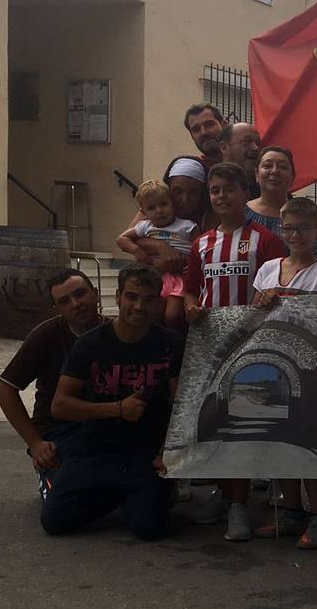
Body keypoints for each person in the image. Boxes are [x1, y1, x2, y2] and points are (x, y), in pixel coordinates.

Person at [184, 163, 288, 541]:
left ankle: (249, 505)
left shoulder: (266, 240)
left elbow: (278, 291)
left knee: (248, 426)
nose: (221, 196)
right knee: (219, 427)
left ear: (246, 193)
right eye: (214, 190)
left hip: (254, 348)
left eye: (228, 189)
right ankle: (230, 501)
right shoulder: (201, 243)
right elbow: (191, 289)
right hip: (213, 348)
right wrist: (191, 309)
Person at [42, 264, 184, 540]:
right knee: (55, 521)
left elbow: (180, 404)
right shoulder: (90, 344)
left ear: (158, 301)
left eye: (148, 299)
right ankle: (122, 493)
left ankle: (145, 493)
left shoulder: (171, 343)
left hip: (145, 452)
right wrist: (117, 409)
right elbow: (60, 406)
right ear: (118, 296)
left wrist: (168, 451)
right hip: (96, 449)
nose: (139, 307)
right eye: (132, 297)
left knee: (148, 528)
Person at [249, 197, 317, 551]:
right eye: (289, 227)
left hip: (309, 368)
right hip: (272, 365)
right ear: (281, 229)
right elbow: (253, 319)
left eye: (303, 228)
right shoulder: (267, 269)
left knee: (308, 443)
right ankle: (291, 511)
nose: (296, 234)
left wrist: (291, 299)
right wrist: (261, 303)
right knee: (279, 439)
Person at [0, 269, 106, 501]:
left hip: (105, 425)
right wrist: (35, 443)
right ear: (57, 309)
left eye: (80, 294)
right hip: (58, 430)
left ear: (95, 294)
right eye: (65, 301)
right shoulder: (46, 336)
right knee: (65, 504)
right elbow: (5, 389)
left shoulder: (116, 333)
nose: (76, 304)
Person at [117, 180, 197, 334]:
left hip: (178, 277)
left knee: (172, 315)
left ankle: (177, 342)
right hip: (155, 277)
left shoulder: (187, 226)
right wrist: (137, 251)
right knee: (153, 315)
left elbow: (200, 249)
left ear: (172, 203)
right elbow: (121, 239)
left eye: (163, 204)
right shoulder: (145, 227)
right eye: (152, 208)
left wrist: (189, 264)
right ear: (144, 212)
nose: (159, 210)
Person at [245, 146, 317, 259]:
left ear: (293, 176)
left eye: (282, 167)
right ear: (256, 174)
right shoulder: (241, 214)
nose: (274, 171)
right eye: (267, 166)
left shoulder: (305, 217)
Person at [218, 122, 262, 192]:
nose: (255, 147)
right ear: (224, 147)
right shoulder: (206, 186)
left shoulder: (266, 191)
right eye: (246, 142)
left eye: (258, 143)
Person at [183, 103, 227, 167]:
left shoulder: (244, 163)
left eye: (209, 125)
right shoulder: (193, 172)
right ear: (192, 136)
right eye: (196, 129)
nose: (203, 132)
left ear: (224, 125)